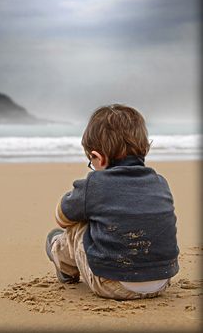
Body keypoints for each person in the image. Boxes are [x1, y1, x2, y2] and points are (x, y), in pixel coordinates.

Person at [45, 104, 179, 300]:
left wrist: (85, 204)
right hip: (161, 281)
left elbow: (61, 218)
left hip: (112, 283)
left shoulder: (95, 184)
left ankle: (65, 266)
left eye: (92, 162)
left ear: (97, 157)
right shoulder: (160, 182)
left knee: (75, 229)